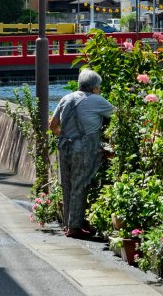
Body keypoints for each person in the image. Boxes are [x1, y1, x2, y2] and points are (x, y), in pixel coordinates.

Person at [49, 68, 114, 238]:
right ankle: (74, 227)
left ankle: (69, 224)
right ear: (94, 87)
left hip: (64, 146)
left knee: (67, 185)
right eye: (99, 87)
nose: (99, 90)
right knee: (79, 185)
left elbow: (53, 126)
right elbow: (119, 115)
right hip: (83, 148)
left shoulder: (66, 98)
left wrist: (66, 136)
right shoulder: (97, 100)